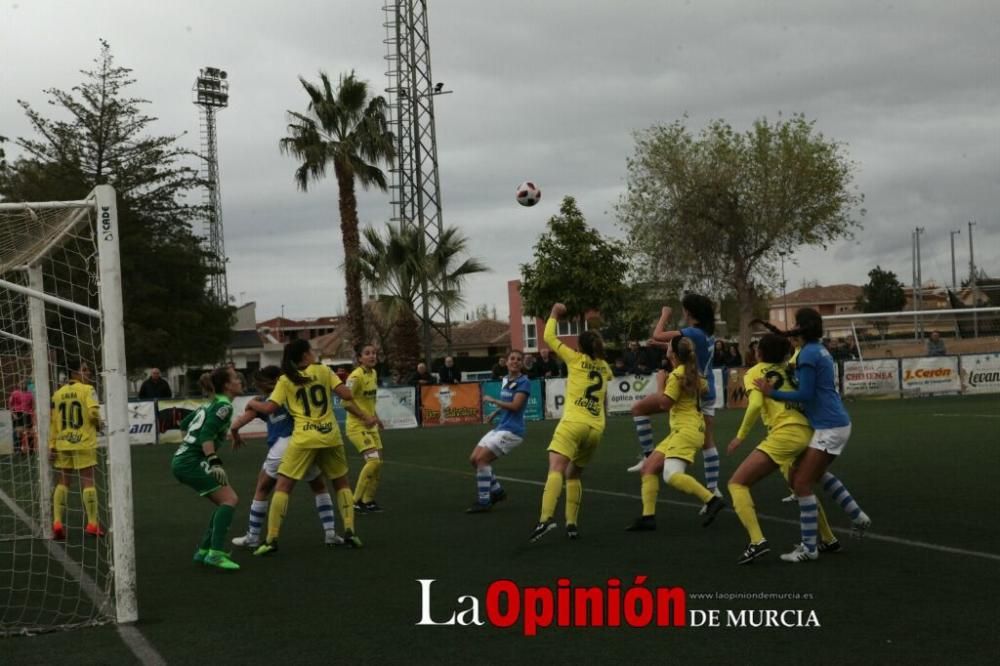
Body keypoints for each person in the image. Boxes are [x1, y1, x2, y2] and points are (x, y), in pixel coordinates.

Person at [756, 308, 872, 563]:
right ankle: (858, 516)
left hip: (830, 426)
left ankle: (809, 548)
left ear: (802, 327)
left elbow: (806, 394)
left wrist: (772, 394)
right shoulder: (818, 349)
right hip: (834, 423)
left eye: (797, 323)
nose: (793, 326)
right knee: (808, 474)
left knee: (801, 483)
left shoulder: (808, 353)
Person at [726, 334, 839, 564]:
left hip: (786, 434)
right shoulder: (789, 370)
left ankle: (757, 541)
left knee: (737, 483)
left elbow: (756, 404)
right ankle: (828, 538)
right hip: (807, 431)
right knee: (801, 486)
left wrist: (740, 437)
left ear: (759, 353)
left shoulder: (755, 372)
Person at [248, 339, 364, 555]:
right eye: (311, 350)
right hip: (330, 435)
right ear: (305, 355)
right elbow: (347, 395)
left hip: (303, 438)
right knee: (340, 483)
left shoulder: (285, 379)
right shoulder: (323, 370)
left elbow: (270, 407)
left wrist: (253, 403)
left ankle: (271, 539)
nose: (314, 353)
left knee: (282, 487)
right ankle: (350, 531)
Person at [228, 366, 344, 550]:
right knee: (319, 486)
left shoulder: (263, 402)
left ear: (262, 384)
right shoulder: (293, 391)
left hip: (281, 447)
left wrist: (235, 431)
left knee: (263, 489)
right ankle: (330, 533)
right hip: (303, 444)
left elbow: (237, 423)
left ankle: (253, 536)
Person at [529, 303, 613, 542]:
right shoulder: (604, 367)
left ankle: (544, 520)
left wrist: (554, 314)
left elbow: (547, 336)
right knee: (574, 475)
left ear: (580, 346)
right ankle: (572, 524)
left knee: (556, 469)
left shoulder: (574, 359)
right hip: (595, 428)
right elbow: (605, 391)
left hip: (573, 422)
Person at [626, 336, 727, 531]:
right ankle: (648, 517)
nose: (667, 348)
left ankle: (712, 499)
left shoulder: (676, 375)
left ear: (672, 353)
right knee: (648, 468)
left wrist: (660, 383)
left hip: (685, 431)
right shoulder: (693, 373)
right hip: (687, 429)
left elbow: (664, 404)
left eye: (669, 346)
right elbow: (706, 390)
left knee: (671, 475)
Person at [646, 295, 722, 514]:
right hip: (704, 386)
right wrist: (662, 345)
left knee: (704, 439)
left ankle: (711, 491)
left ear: (689, 311)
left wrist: (664, 315)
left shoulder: (694, 332)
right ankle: (712, 488)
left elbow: (657, 333)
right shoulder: (705, 333)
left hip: (692, 388)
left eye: (683, 310)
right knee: (708, 441)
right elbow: (685, 351)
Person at [170, 367, 243, 570]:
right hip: (191, 461)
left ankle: (204, 551)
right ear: (227, 385)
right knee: (230, 499)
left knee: (224, 502)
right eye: (236, 378)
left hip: (185, 459)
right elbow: (205, 435)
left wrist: (189, 447)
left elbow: (184, 423)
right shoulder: (223, 407)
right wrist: (212, 459)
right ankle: (216, 554)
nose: (239, 381)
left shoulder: (211, 404)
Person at [466, 350, 530, 513]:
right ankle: (498, 491)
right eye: (512, 359)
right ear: (507, 362)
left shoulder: (524, 382)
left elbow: (515, 406)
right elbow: (507, 403)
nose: (515, 361)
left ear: (521, 364)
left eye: (518, 359)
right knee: (474, 459)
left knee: (481, 460)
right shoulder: (506, 380)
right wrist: (494, 413)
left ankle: (484, 501)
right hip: (501, 426)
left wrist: (494, 401)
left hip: (513, 431)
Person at [49, 359, 104, 541]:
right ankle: (92, 524)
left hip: (63, 443)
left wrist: (52, 445)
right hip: (83, 442)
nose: (88, 373)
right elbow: (93, 413)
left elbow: (53, 422)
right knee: (88, 480)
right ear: (74, 373)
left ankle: (57, 522)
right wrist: (99, 424)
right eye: (85, 370)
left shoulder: (57, 394)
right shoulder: (87, 390)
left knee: (64, 480)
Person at [344, 344, 387, 513]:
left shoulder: (374, 373)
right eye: (367, 353)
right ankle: (354, 502)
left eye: (374, 353)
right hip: (357, 426)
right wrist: (365, 417)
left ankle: (368, 500)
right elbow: (345, 402)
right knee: (373, 461)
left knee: (378, 463)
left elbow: (369, 401)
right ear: (359, 358)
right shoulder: (355, 376)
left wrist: (377, 418)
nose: (372, 356)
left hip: (371, 425)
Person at [9, 380, 34, 454]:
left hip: (27, 413)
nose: (23, 385)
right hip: (18, 413)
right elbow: (10, 404)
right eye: (22, 383)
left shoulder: (30, 394)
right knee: (19, 432)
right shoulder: (14, 393)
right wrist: (13, 414)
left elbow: (33, 405)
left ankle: (31, 450)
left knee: (29, 432)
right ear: (18, 385)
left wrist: (31, 412)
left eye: (25, 383)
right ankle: (19, 450)